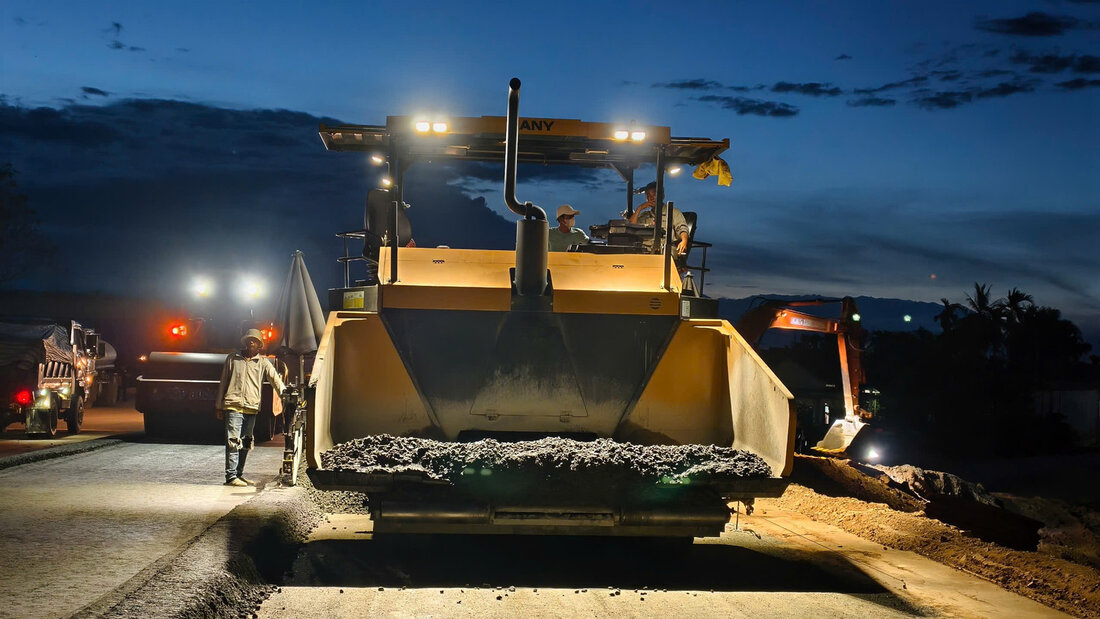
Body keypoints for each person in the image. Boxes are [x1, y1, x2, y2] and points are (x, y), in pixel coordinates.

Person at [215, 328, 286, 487]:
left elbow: (275, 380)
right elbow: (224, 381)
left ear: (260, 345)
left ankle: (239, 474)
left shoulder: (263, 363)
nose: (251, 342)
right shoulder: (233, 359)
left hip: (251, 407)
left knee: (246, 442)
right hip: (233, 406)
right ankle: (231, 476)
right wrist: (219, 406)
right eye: (249, 340)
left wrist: (286, 396)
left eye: (254, 341)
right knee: (233, 441)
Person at [630, 181, 690, 255]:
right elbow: (631, 228)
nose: (651, 198)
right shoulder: (644, 215)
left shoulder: (673, 212)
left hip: (665, 251)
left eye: (654, 194)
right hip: (644, 251)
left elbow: (682, 228)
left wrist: (684, 240)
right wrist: (639, 208)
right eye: (648, 195)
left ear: (662, 196)